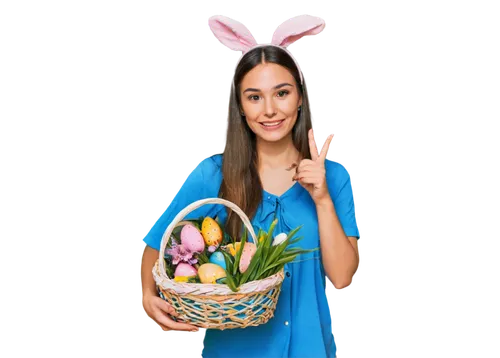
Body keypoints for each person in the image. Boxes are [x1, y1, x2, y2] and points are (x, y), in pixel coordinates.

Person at [139, 13, 362, 358]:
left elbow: (343, 276)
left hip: (311, 349)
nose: (270, 110)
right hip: (233, 349)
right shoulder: (213, 174)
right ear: (240, 106)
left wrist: (321, 198)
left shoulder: (333, 177)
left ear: (301, 97)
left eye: (282, 93)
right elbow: (157, 241)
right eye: (254, 97)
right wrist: (148, 296)